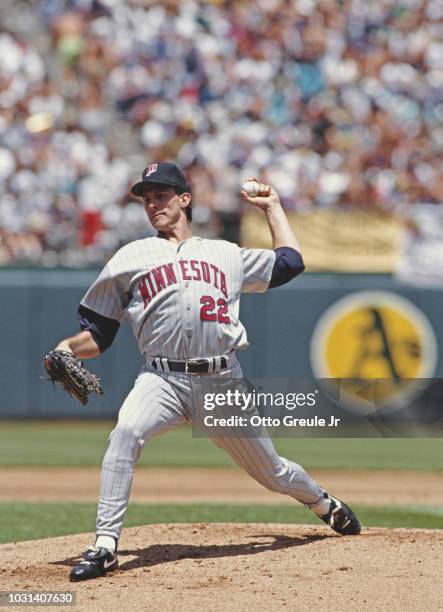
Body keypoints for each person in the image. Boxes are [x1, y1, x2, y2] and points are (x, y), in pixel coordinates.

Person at [51, 161, 360, 582]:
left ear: (184, 199)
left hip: (221, 379)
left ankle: (324, 504)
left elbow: (290, 262)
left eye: (161, 195)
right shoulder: (130, 256)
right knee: (125, 432)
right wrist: (67, 348)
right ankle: (105, 545)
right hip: (160, 378)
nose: (153, 204)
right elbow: (98, 333)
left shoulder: (225, 253)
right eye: (147, 197)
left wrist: (273, 209)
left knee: (272, 472)